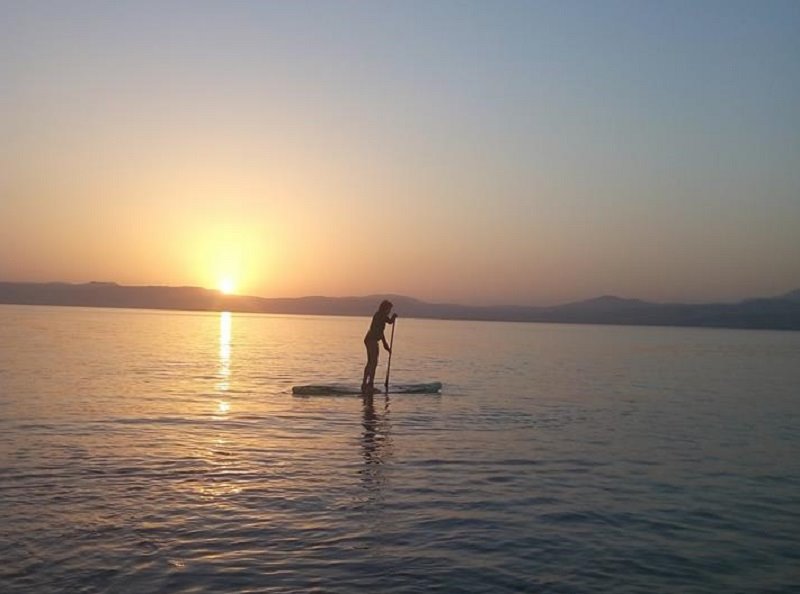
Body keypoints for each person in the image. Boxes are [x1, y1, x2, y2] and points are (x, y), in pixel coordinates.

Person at [361, 300, 397, 394]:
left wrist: (386, 345)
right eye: (389, 309)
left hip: (370, 340)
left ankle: (365, 384)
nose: (389, 311)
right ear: (385, 308)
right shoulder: (380, 315)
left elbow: (382, 332)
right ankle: (369, 385)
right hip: (371, 340)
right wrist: (393, 318)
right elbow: (389, 322)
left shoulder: (380, 315)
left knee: (371, 362)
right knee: (373, 362)